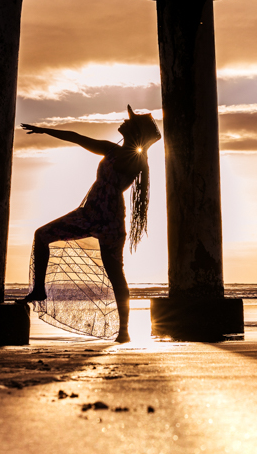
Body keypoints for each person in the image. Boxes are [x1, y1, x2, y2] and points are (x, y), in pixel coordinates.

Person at [19, 106, 161, 343]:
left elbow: (128, 160)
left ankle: (124, 330)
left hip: (109, 219)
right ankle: (39, 289)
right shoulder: (113, 150)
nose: (124, 122)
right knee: (42, 235)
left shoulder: (135, 159)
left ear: (135, 132)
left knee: (115, 273)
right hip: (90, 213)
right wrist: (45, 130)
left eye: (129, 122)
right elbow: (78, 138)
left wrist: (140, 147)